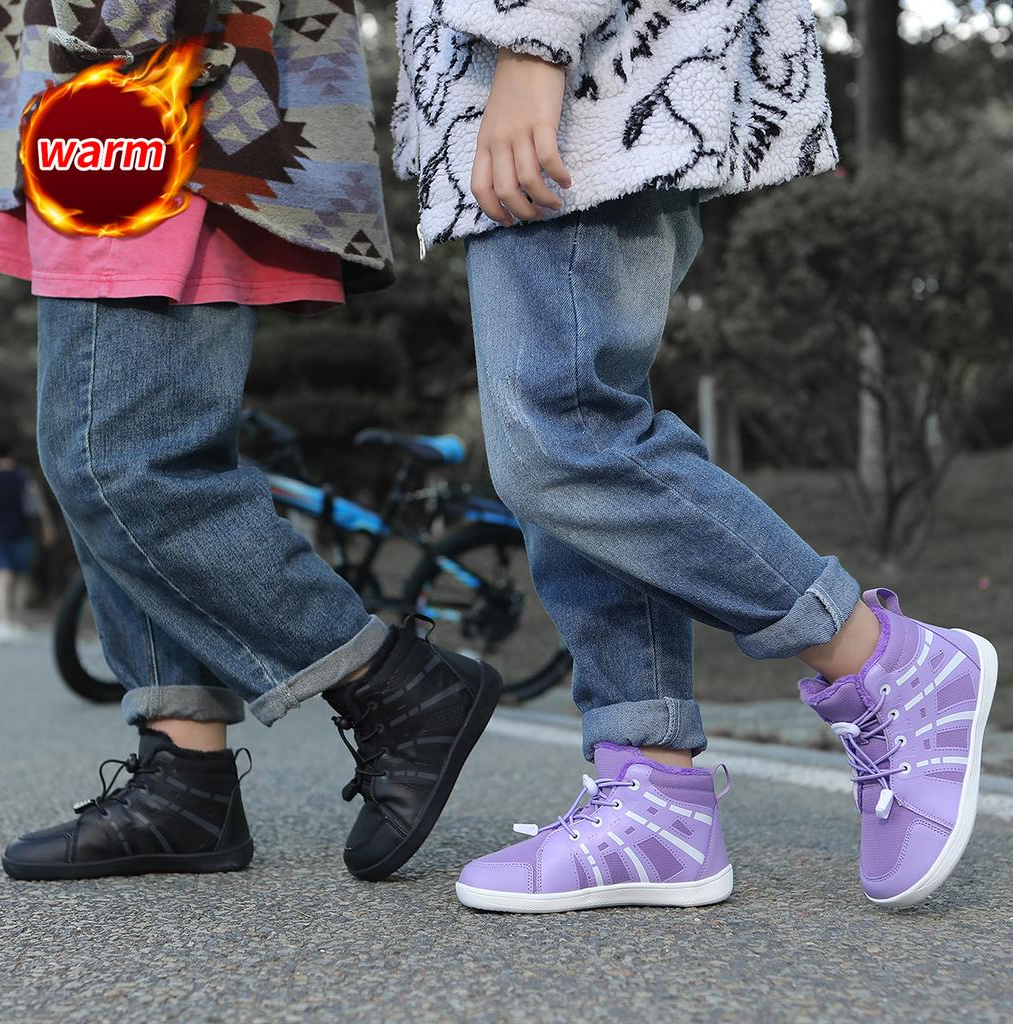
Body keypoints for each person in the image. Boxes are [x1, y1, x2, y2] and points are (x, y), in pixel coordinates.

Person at [391, 1, 997, 910]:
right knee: (572, 447)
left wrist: (534, 37)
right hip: (539, 72)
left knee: (563, 437)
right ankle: (655, 797)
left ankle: (884, 661)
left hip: (583, 62)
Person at [0, 2, 501, 883]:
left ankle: (394, 683)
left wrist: (127, 29)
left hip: (144, 82)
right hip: (112, 89)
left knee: (117, 462)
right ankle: (184, 779)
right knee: (118, 455)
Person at [0, 441, 54, 643]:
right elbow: (36, 502)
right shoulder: (23, 476)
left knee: (0, 576)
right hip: (21, 532)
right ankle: (15, 620)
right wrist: (47, 525)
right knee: (20, 577)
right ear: (11, 455)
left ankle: (2, 622)